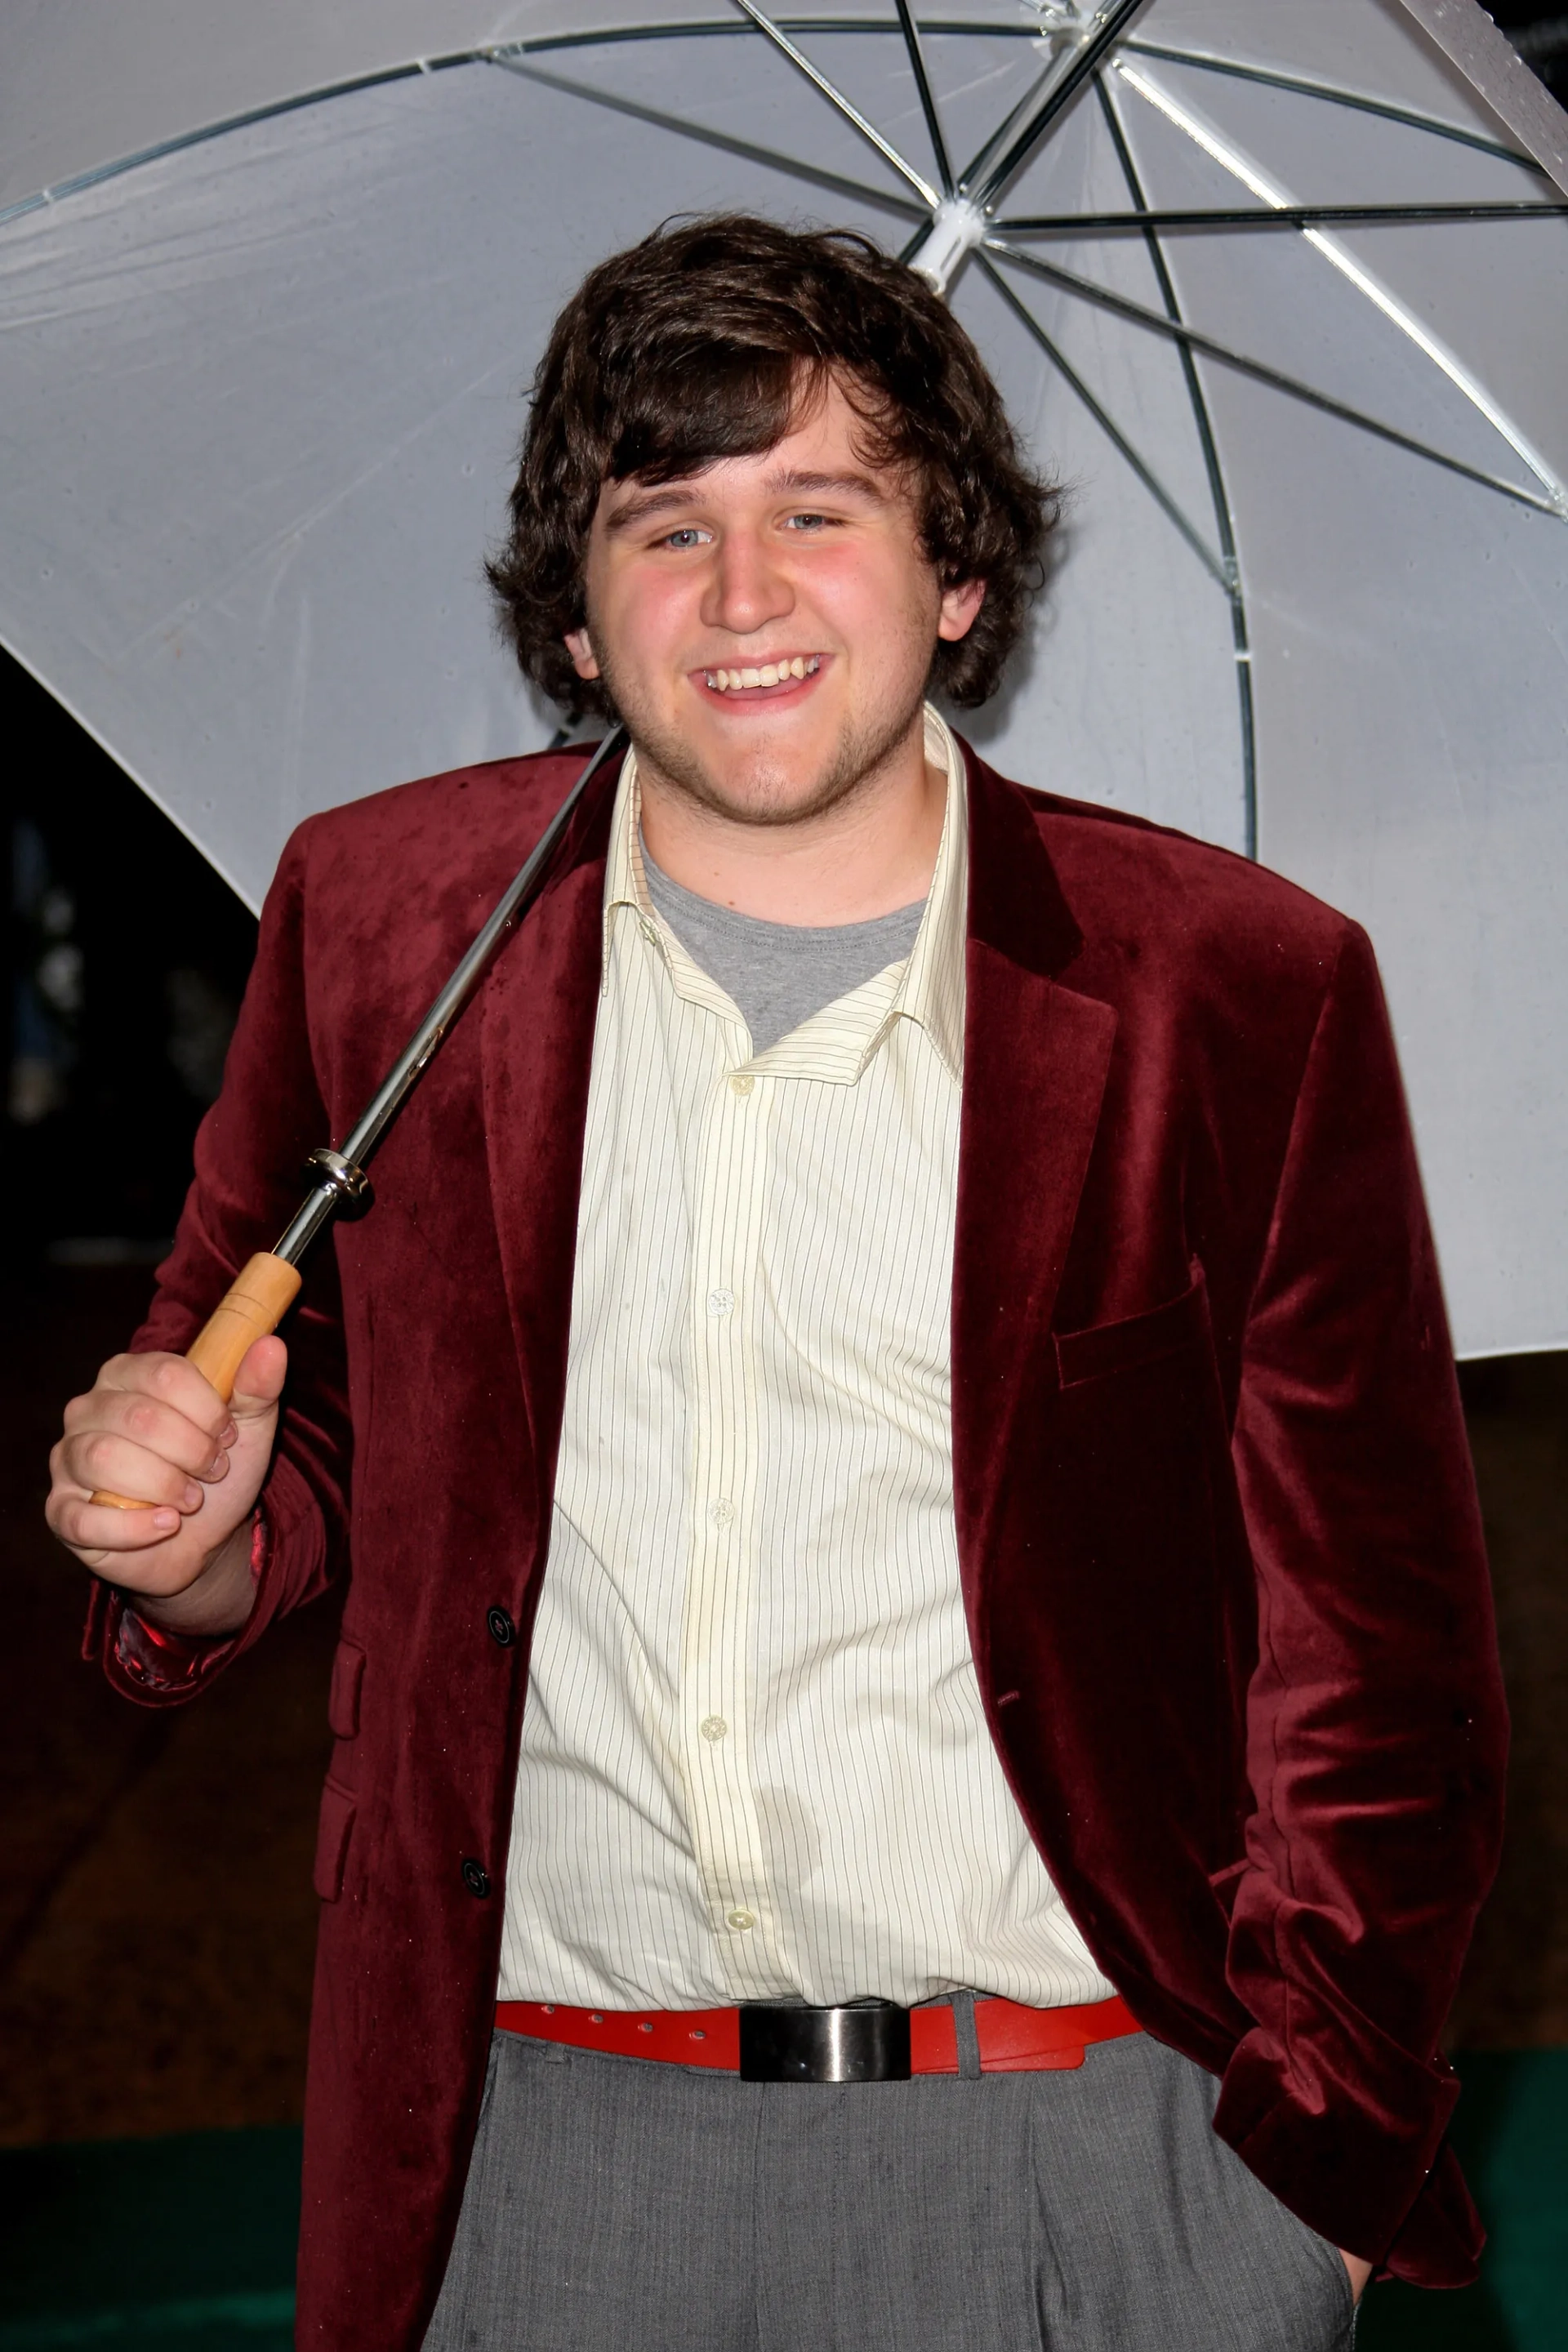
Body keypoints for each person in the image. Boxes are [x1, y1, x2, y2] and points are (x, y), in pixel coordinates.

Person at [47, 216, 1506, 2351]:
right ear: (572, 615)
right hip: (537, 2162)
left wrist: (1315, 2173)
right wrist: (185, 1539)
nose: (742, 599)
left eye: (820, 511)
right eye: (668, 527)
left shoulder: (1233, 991)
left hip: (1099, 2157)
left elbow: (1377, 1651)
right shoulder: (379, 929)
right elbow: (296, 1468)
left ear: (958, 579)